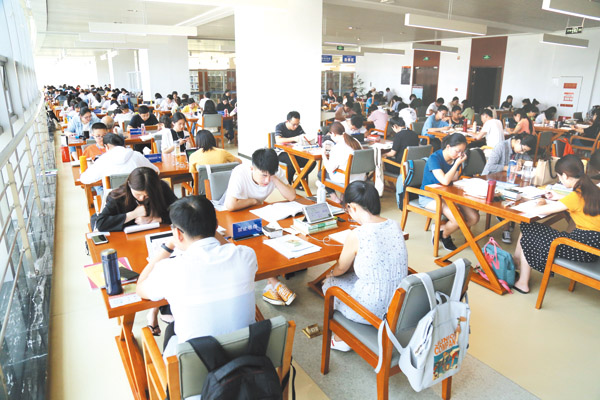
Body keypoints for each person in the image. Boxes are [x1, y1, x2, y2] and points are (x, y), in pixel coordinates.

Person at [136, 195, 257, 355]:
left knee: (172, 328)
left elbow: (140, 287)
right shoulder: (246, 255)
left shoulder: (169, 269)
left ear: (178, 233)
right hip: (245, 353)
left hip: (198, 363)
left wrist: (169, 245)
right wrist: (210, 229)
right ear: (216, 225)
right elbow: (229, 248)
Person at [322, 181, 408, 352]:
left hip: (371, 308)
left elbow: (341, 268)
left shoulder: (357, 234)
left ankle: (341, 337)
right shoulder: (395, 225)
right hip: (399, 305)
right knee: (356, 277)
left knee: (329, 285)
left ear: (352, 207)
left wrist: (330, 273)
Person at [512, 155, 600, 294]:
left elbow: (538, 211)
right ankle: (517, 262)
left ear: (565, 175)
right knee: (531, 229)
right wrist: (560, 198)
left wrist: (540, 201)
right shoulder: (593, 189)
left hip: (582, 248)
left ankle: (523, 282)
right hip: (593, 245)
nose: (560, 180)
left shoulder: (575, 197)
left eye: (559, 177)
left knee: (529, 230)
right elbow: (580, 202)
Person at [224, 148, 297, 306]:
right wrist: (254, 201)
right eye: (263, 175)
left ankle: (272, 284)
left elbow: (291, 196)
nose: (267, 180)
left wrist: (275, 178)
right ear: (252, 168)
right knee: (254, 244)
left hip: (259, 213)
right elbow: (230, 205)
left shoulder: (272, 174)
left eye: (270, 175)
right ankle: (274, 282)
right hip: (235, 214)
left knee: (276, 237)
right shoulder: (240, 172)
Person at [420, 133, 479, 251]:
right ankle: (445, 235)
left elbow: (454, 179)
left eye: (462, 152)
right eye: (458, 151)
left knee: (474, 218)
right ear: (448, 147)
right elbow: (445, 181)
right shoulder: (434, 158)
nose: (460, 154)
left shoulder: (454, 159)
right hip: (430, 197)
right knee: (457, 219)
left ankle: (441, 229)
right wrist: (457, 163)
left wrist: (457, 163)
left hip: (448, 195)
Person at [95, 167, 178, 232]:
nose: (141, 198)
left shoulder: (161, 188)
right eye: (138, 194)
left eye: (147, 195)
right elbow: (100, 224)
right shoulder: (118, 197)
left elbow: (180, 212)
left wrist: (156, 219)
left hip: (157, 233)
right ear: (129, 185)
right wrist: (133, 214)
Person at [79, 133, 159, 184]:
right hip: (137, 199)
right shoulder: (136, 155)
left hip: (114, 202)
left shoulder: (103, 159)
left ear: (106, 146)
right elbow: (156, 171)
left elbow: (85, 179)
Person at [318, 122, 364, 203]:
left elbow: (329, 169)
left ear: (333, 134)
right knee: (342, 167)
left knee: (321, 173)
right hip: (360, 176)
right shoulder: (355, 141)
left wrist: (323, 155)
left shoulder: (337, 148)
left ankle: (334, 198)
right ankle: (343, 195)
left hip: (347, 178)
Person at [274, 111, 317, 186]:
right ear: (287, 121)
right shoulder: (280, 126)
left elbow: (303, 137)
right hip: (281, 153)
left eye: (297, 124)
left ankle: (298, 182)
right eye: (294, 124)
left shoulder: (298, 127)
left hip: (295, 152)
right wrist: (294, 138)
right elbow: (278, 140)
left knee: (312, 162)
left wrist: (309, 140)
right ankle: (288, 184)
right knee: (292, 162)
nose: (296, 126)